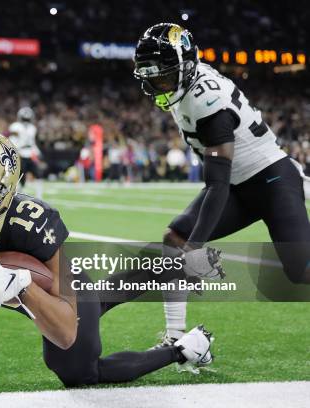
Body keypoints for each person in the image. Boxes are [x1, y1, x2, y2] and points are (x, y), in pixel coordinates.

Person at [0, 129, 214, 387]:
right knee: (96, 301)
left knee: (80, 373)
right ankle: (165, 264)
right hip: (41, 297)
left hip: (62, 290)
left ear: (5, 191)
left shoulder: (33, 223)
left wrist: (24, 286)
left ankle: (186, 349)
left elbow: (65, 332)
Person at [133, 23, 310, 347]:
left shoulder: (206, 98)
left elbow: (217, 184)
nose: (159, 85)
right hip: (239, 183)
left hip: (270, 178)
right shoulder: (183, 85)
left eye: (163, 75)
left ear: (184, 67)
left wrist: (195, 250)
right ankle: (174, 337)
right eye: (151, 76)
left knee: (300, 270)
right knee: (175, 238)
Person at [9, 107, 44, 198]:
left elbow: (32, 142)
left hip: (30, 154)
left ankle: (39, 197)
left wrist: (37, 152)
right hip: (20, 153)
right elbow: (12, 140)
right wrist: (16, 152)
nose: (26, 120)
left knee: (38, 174)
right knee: (20, 177)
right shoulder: (15, 126)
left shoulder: (32, 128)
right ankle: (17, 195)